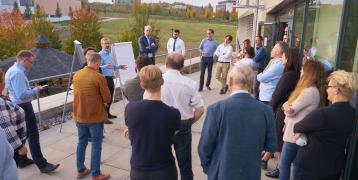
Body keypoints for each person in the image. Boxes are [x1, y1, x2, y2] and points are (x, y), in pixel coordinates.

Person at [198, 65, 277, 180]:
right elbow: (271, 145)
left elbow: (204, 147)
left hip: (221, 173)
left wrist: (211, 169)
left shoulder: (216, 109)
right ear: (252, 83)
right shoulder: (266, 111)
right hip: (251, 173)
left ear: (229, 81)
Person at [294, 70, 358, 180]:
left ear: (337, 90)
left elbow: (297, 127)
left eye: (329, 86)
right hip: (334, 168)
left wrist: (304, 132)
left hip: (311, 166)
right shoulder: (353, 115)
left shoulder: (323, 114)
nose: (327, 89)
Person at [5, 50, 60, 173]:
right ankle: (42, 165)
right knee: (33, 135)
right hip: (23, 106)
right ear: (23, 60)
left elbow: (18, 90)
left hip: (18, 106)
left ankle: (22, 160)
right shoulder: (18, 73)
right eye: (30, 62)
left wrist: (30, 89)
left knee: (22, 134)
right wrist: (35, 90)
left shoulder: (12, 70)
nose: (31, 64)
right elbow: (21, 94)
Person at [125, 65, 181, 180]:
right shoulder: (173, 113)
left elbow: (134, 128)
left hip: (139, 169)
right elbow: (172, 133)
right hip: (164, 169)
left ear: (142, 84)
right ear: (162, 82)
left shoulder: (130, 108)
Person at [279, 60, 326, 180]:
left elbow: (290, 110)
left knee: (285, 165)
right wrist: (287, 106)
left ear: (308, 73)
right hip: (297, 134)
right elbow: (289, 106)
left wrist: (286, 107)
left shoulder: (309, 91)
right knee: (293, 165)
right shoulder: (312, 90)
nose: (300, 71)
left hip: (294, 136)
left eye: (303, 69)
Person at [161, 53, 204, 180]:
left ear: (165, 64)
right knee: (185, 164)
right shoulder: (190, 83)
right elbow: (200, 109)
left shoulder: (158, 80)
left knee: (163, 162)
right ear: (182, 67)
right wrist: (189, 122)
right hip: (183, 123)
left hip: (162, 124)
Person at [73, 53, 112, 180]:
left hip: (79, 115)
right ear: (97, 63)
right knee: (96, 144)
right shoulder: (99, 77)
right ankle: (96, 173)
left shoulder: (77, 74)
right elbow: (107, 98)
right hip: (94, 116)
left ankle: (81, 169)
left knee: (81, 142)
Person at [265, 48, 301, 178]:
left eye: (284, 56)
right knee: (280, 140)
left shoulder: (289, 75)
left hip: (282, 110)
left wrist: (269, 109)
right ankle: (278, 167)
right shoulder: (294, 74)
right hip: (284, 109)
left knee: (280, 141)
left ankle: (279, 169)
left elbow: (277, 95)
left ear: (289, 59)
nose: (282, 59)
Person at [0, 69, 28, 167]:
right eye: (3, 80)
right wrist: (20, 147)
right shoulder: (0, 103)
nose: (5, 83)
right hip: (12, 146)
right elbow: (5, 125)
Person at [99, 37, 126, 123]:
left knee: (110, 97)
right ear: (102, 44)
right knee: (105, 98)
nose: (107, 45)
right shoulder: (100, 55)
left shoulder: (110, 54)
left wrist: (119, 67)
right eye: (105, 43)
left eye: (108, 43)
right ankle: (104, 117)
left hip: (111, 78)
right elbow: (97, 67)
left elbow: (112, 66)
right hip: (104, 78)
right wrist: (105, 66)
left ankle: (108, 113)